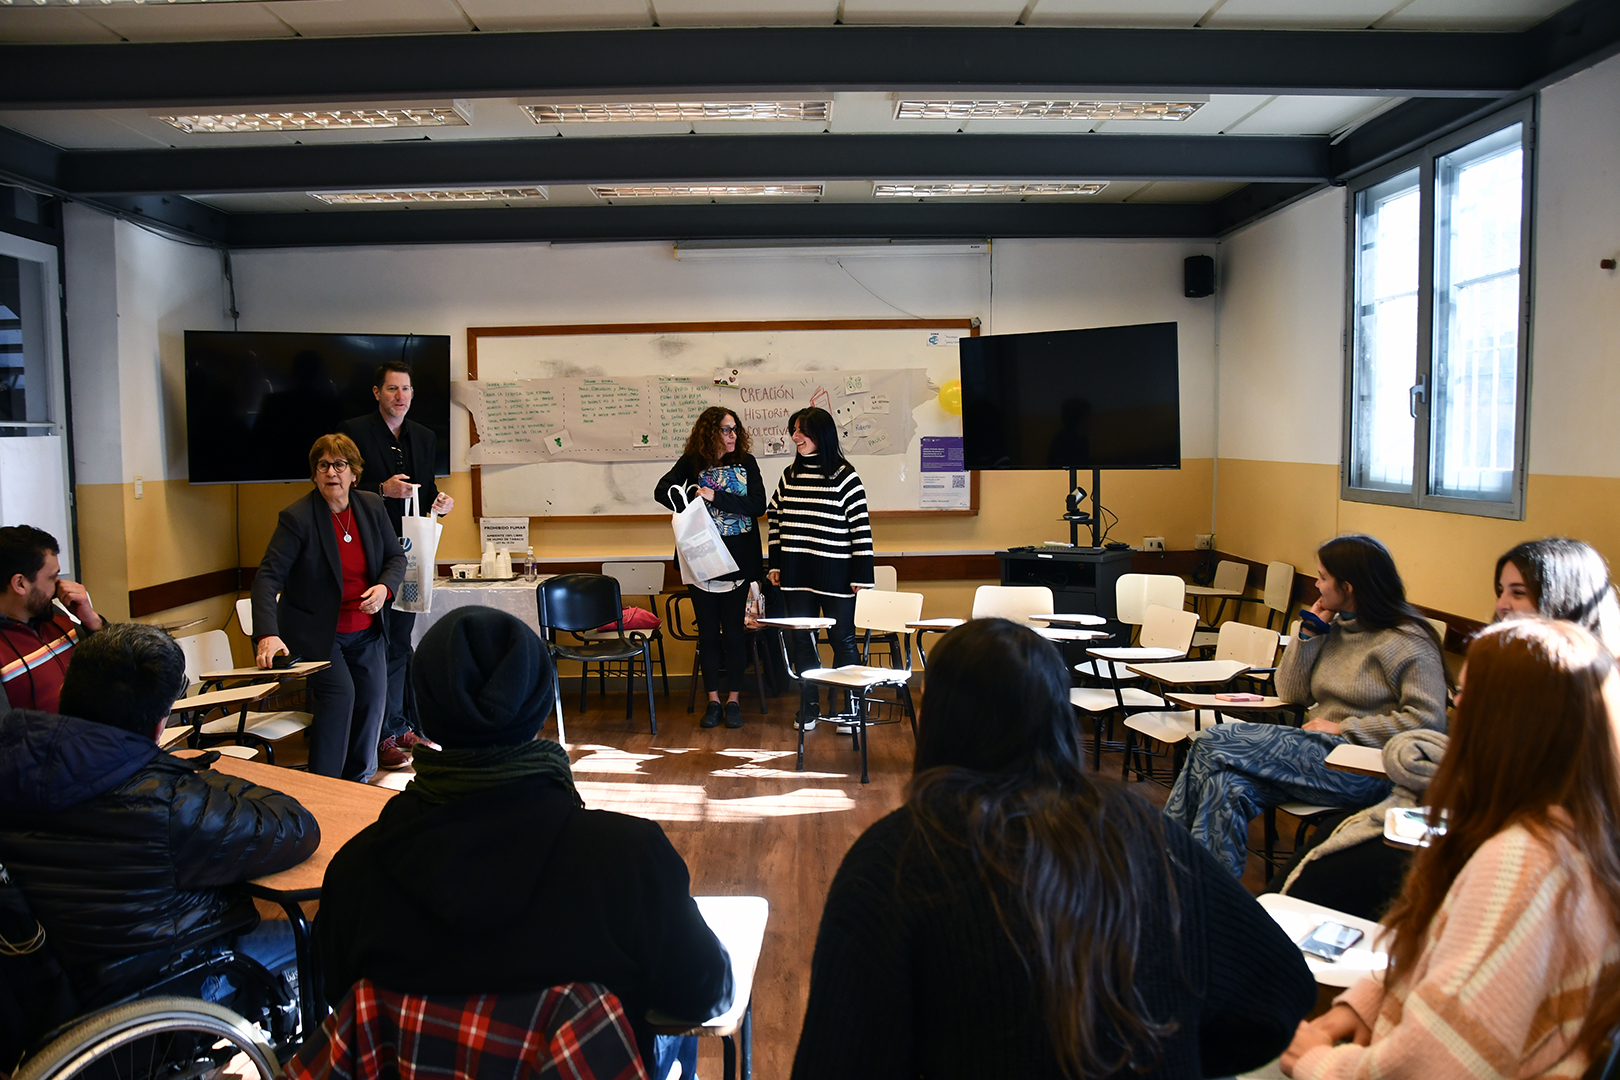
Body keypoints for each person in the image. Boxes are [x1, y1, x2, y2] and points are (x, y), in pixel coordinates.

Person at [792, 618, 1316, 1079]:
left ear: (937, 720)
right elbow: (1279, 991)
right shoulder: (1143, 827)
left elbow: (840, 1062)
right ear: (1058, 714)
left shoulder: (894, 860)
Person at [313, 607, 733, 1080]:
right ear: (539, 703)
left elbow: (338, 998)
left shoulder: (356, 869)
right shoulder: (628, 858)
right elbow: (704, 993)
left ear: (424, 708)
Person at [1280, 618, 1620, 1080]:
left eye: (1466, 696)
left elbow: (1435, 1065)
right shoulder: (1580, 834)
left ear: (1508, 725)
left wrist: (1317, 1061)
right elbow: (1452, 967)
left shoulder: (1522, 861)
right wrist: (1365, 1002)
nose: (1455, 707)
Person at [1274, 536, 1620, 919]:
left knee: (1332, 872)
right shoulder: (1509, 657)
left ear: (1565, 597)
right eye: (1501, 591)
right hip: (1458, 814)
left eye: (1518, 593)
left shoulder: (1588, 683)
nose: (1502, 605)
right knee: (1327, 839)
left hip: (1515, 841)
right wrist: (1309, 634)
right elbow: (1290, 692)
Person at [0, 622, 319, 1020]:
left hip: (46, 991)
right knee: (321, 932)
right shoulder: (167, 803)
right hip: (158, 983)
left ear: (66, 692)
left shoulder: (13, 758)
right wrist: (187, 774)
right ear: (159, 724)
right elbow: (295, 826)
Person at [1165, 534, 1447, 878]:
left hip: (1367, 768)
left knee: (1211, 741)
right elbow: (1291, 692)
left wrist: (1344, 727)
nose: (1316, 584)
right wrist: (1308, 636)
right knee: (1223, 787)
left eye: (1323, 577)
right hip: (1317, 754)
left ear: (1348, 587)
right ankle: (1206, 897)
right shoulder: (1334, 627)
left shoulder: (1408, 641)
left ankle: (1160, 869)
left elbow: (1427, 723)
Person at [252, 433, 406, 782]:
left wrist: (384, 588)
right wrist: (267, 634)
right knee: (340, 698)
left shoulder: (371, 506)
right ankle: (324, 784)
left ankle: (358, 783)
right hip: (319, 633)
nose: (331, 472)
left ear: (354, 473)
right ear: (314, 474)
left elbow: (395, 557)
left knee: (372, 704)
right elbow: (267, 578)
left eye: (339, 464)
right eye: (323, 465)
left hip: (366, 630)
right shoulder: (297, 518)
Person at [339, 360, 454, 770]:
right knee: (376, 646)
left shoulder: (424, 436)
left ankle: (401, 725)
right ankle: (380, 736)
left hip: (410, 553)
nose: (400, 396)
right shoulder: (353, 431)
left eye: (405, 389)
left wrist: (440, 502)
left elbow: (428, 488)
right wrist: (381, 490)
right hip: (367, 551)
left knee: (401, 644)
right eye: (392, 389)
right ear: (377, 393)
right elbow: (340, 486)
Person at [654, 406, 766, 729]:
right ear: (710, 432)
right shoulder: (692, 462)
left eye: (735, 429)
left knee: (733, 635)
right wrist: (689, 505)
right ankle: (713, 701)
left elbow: (758, 505)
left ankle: (734, 701)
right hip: (700, 563)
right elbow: (662, 490)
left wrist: (716, 497)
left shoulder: (747, 463)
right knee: (708, 636)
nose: (733, 436)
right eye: (726, 430)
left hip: (738, 564)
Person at [766, 406, 875, 730]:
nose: (795, 437)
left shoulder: (845, 476)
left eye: (802, 431)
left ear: (821, 435)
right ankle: (809, 705)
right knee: (802, 641)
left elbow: (860, 528)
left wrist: (862, 575)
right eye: (794, 430)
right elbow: (775, 520)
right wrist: (775, 564)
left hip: (838, 576)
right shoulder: (790, 476)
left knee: (842, 640)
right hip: (796, 575)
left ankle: (850, 708)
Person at [0, 525, 103, 713]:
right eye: (52, 577)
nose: (60, 585)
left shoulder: (54, 616)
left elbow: (121, 667)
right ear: (20, 584)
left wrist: (93, 622)